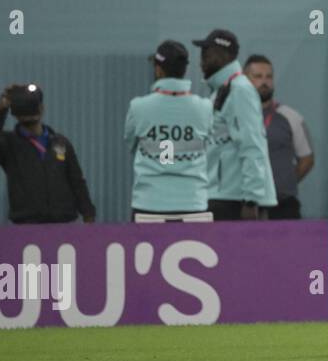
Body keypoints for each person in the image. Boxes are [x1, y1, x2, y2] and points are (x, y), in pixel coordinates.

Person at [124, 41, 214, 222]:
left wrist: (164, 157)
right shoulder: (204, 107)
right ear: (184, 70)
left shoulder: (139, 107)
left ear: (158, 70)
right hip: (193, 203)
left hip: (149, 204)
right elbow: (209, 145)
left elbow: (131, 144)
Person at [0, 83, 95, 224]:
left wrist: (88, 214)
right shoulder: (8, 144)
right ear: (14, 113)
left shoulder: (61, 142)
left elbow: (77, 181)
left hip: (64, 223)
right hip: (27, 224)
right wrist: (1, 109)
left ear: (42, 108)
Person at [193, 28, 276, 220]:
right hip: (224, 195)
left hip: (234, 200)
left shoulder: (240, 90)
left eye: (206, 52)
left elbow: (252, 146)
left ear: (221, 55)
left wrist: (251, 199)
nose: (201, 60)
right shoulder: (224, 90)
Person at [244, 55, 314, 220]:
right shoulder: (232, 117)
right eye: (258, 77)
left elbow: (307, 159)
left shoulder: (290, 117)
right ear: (245, 80)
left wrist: (285, 183)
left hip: (283, 206)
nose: (265, 82)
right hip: (242, 206)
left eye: (269, 77)